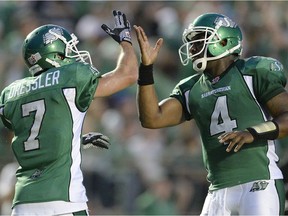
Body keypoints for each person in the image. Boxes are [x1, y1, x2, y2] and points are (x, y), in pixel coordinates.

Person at [134, 12, 288, 215]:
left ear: (223, 41)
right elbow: (151, 118)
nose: (192, 47)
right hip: (218, 190)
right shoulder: (191, 88)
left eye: (200, 40)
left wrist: (253, 132)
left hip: (259, 182)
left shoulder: (253, 71)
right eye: (192, 42)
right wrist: (146, 68)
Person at [0, 10, 137, 215]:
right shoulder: (70, 76)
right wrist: (126, 41)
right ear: (53, 54)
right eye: (67, 50)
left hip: (23, 203)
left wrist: (74, 139)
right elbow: (128, 75)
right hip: (62, 200)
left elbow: (31, 134)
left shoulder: (10, 93)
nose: (73, 54)